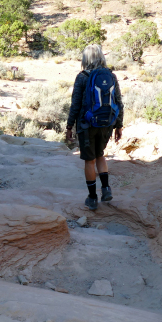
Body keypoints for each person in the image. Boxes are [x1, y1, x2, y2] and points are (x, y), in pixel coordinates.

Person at [66, 45, 124, 211]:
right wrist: (119, 125)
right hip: (107, 124)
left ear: (85, 59)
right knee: (100, 155)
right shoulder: (111, 75)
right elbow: (119, 102)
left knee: (89, 160)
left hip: (87, 124)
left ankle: (92, 198)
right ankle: (106, 189)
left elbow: (75, 104)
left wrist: (69, 126)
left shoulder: (82, 77)